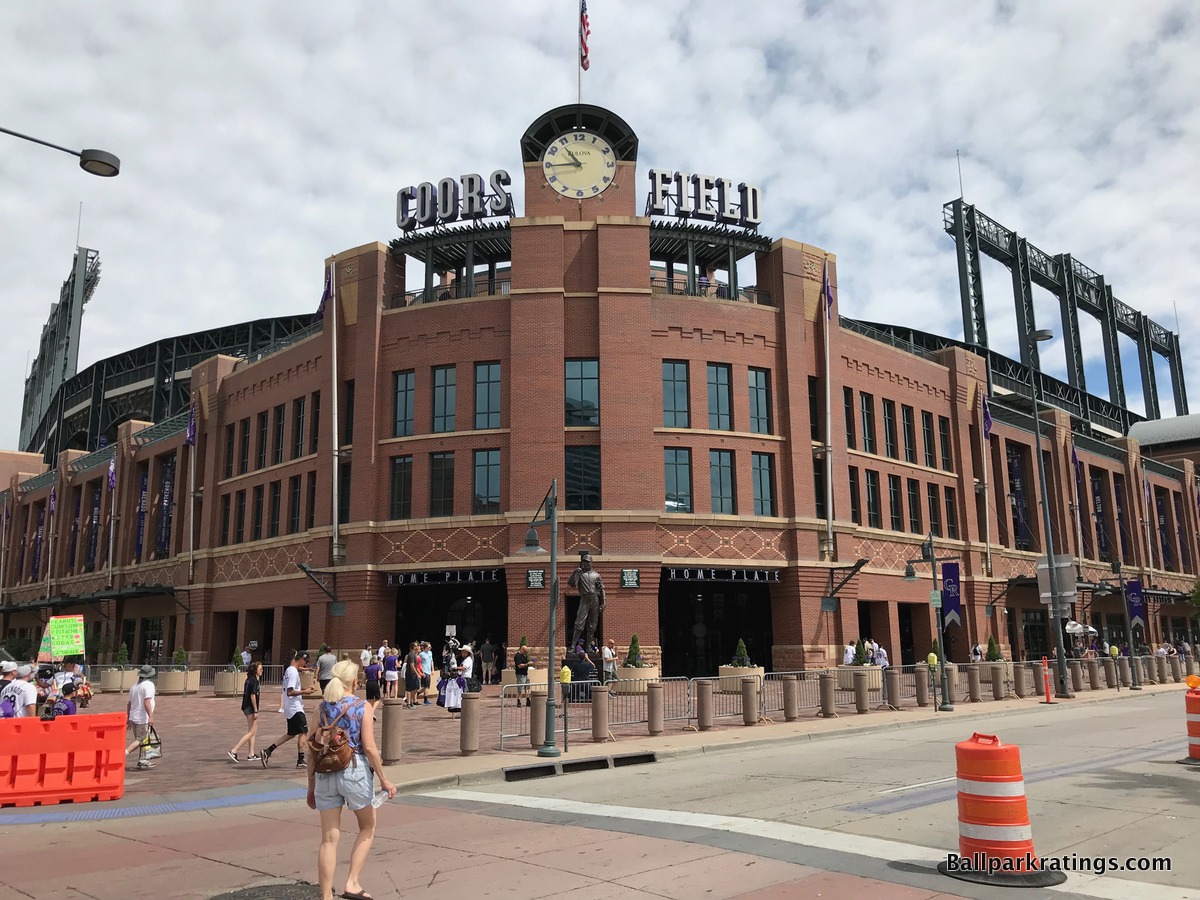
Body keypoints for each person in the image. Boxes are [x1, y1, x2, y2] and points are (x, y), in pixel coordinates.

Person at [307, 658, 396, 900]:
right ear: (354, 681)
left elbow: (311, 748)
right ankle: (352, 882)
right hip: (354, 770)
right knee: (367, 826)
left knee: (328, 838)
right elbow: (369, 747)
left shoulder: (321, 708)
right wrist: (384, 779)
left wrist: (311, 785)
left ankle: (326, 896)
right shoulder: (361, 706)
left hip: (325, 773)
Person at [261, 651, 317, 769]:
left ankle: (268, 751)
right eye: (305, 662)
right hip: (295, 707)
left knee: (291, 734)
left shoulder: (290, 670)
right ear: (301, 659)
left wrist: (304, 688)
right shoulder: (292, 672)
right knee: (303, 732)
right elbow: (290, 692)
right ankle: (301, 759)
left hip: (290, 707)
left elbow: (292, 687)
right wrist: (304, 692)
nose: (306, 665)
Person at [568, 551, 607, 650]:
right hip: (584, 599)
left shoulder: (596, 575)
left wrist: (603, 602)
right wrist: (574, 573)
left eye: (587, 562)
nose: (585, 563)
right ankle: (573, 645)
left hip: (594, 599)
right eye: (584, 562)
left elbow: (602, 589)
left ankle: (589, 646)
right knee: (579, 622)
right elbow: (572, 584)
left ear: (591, 563)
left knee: (592, 624)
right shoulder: (580, 573)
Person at [124, 664, 158, 769]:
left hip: (133, 717)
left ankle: (143, 760)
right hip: (141, 717)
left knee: (142, 740)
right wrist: (151, 716)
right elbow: (147, 701)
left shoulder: (134, 686)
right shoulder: (148, 685)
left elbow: (129, 704)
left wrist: (128, 718)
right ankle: (123, 754)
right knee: (141, 739)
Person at [229, 660, 263, 762]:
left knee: (253, 731)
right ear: (255, 670)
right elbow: (252, 696)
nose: (262, 670)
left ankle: (251, 753)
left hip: (246, 706)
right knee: (251, 731)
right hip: (250, 707)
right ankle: (234, 750)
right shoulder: (254, 681)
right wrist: (256, 710)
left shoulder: (248, 679)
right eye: (260, 668)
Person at [403, 642, 420, 708]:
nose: (418, 647)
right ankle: (408, 703)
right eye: (416, 646)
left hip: (413, 674)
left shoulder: (414, 654)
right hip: (410, 673)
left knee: (416, 687)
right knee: (409, 688)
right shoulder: (411, 655)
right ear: (413, 647)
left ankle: (409, 700)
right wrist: (417, 674)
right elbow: (412, 666)